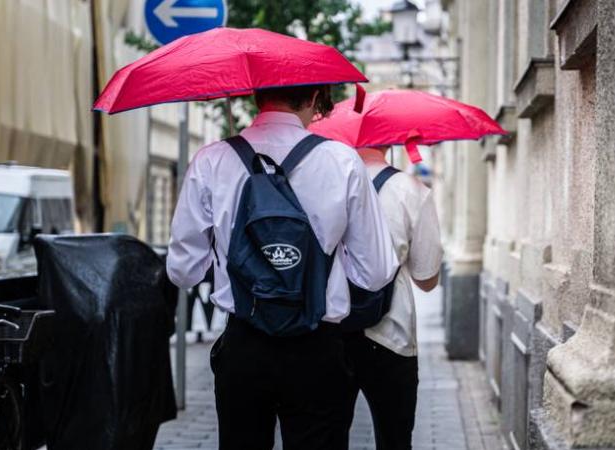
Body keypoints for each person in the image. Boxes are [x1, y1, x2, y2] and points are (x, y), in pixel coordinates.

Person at [166, 85, 399, 450]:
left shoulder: (212, 159)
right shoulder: (342, 160)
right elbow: (376, 272)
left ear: (257, 97)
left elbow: (183, 272)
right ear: (312, 98)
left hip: (244, 342)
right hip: (317, 344)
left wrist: (236, 259)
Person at [344, 146, 444, 450]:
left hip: (331, 332)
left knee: (324, 438)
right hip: (391, 335)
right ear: (390, 139)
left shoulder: (327, 181)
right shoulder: (412, 190)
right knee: (394, 440)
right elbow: (426, 279)